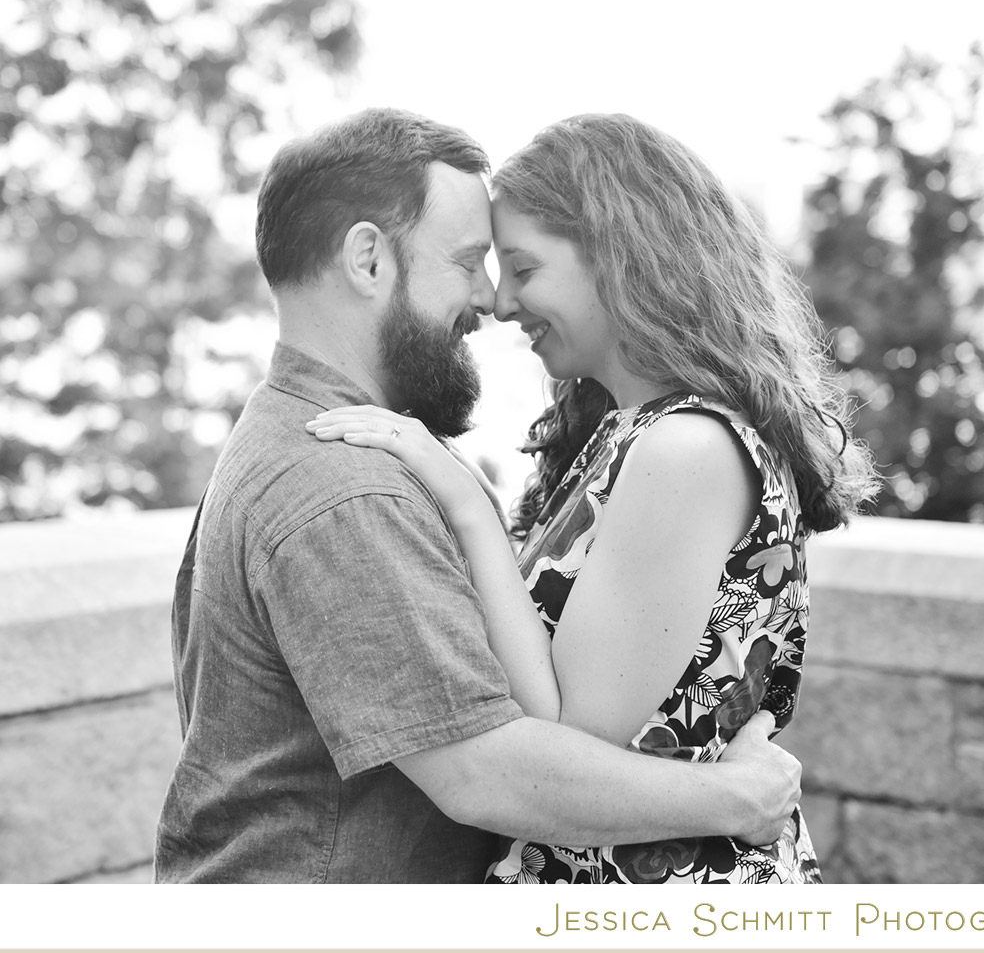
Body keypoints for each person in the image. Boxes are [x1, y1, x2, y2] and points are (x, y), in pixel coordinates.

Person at [154, 108, 804, 884]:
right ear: (368, 260)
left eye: (516, 268)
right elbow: (486, 772)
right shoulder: (344, 482)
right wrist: (736, 798)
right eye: (471, 261)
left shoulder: (314, 440)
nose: (492, 300)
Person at [308, 113, 879, 883]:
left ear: (619, 256)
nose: (501, 303)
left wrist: (469, 505)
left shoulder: (685, 450)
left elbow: (570, 735)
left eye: (523, 268)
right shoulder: (633, 431)